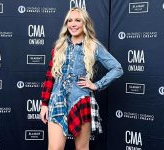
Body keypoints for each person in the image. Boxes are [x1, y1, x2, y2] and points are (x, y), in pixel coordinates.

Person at [40, 7, 123, 150]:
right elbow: (50, 77)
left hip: (81, 101)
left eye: (78, 20)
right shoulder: (59, 47)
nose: (73, 24)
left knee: (82, 148)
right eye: (70, 20)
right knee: (54, 148)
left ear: (85, 23)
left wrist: (97, 85)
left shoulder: (93, 46)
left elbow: (117, 68)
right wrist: (44, 104)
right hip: (57, 100)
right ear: (66, 24)